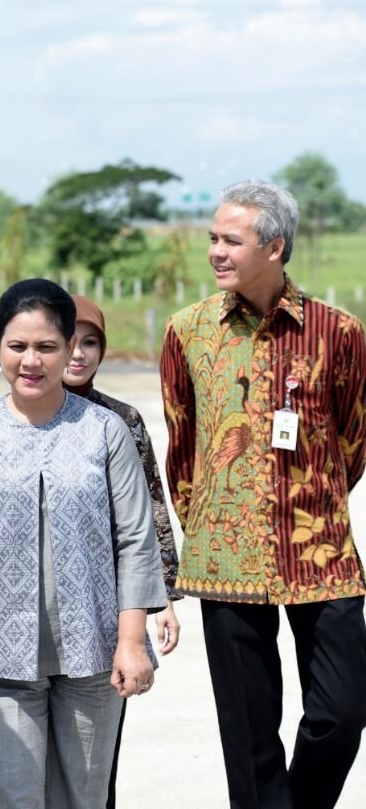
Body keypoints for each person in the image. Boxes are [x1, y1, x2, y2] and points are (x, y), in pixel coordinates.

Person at [0, 278, 166, 809]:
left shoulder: (105, 432)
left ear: (68, 349)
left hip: (95, 655)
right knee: (12, 796)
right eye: (18, 346)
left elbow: (135, 540)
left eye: (47, 347)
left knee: (85, 795)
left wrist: (131, 639)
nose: (31, 360)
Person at [161, 179, 366, 809]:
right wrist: (210, 524)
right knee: (248, 734)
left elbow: (354, 438)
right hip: (226, 561)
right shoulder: (187, 331)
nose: (216, 251)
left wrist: (314, 499)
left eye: (231, 239)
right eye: (212, 239)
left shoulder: (340, 331)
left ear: (275, 247)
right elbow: (182, 443)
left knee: (342, 711)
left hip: (321, 555)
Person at [62, 294, 182, 808]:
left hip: (110, 605)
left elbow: (151, 506)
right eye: (67, 341)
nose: (78, 354)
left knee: (96, 756)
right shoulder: (15, 414)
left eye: (90, 343)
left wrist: (163, 598)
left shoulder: (123, 419)